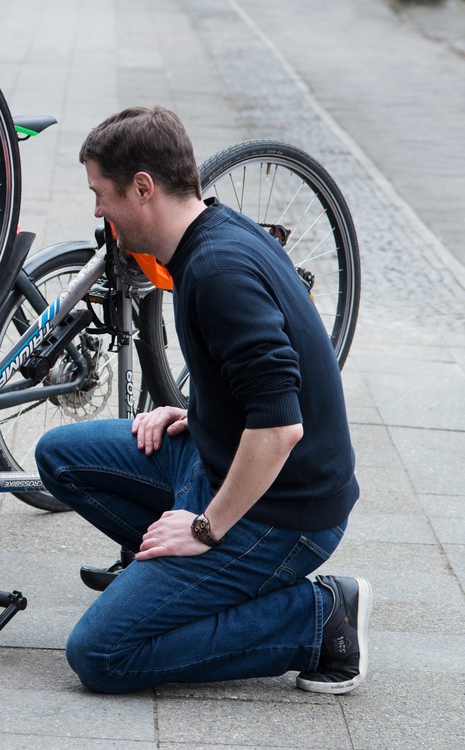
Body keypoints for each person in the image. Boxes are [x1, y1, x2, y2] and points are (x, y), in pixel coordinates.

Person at [35, 106, 371, 695]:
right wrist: (198, 412)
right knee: (59, 455)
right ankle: (186, 582)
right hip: (212, 454)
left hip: (283, 512)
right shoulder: (209, 233)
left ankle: (319, 621)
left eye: (100, 194)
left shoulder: (218, 269)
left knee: (100, 654)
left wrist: (207, 530)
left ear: (143, 188)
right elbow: (259, 379)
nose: (96, 211)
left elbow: (280, 428)